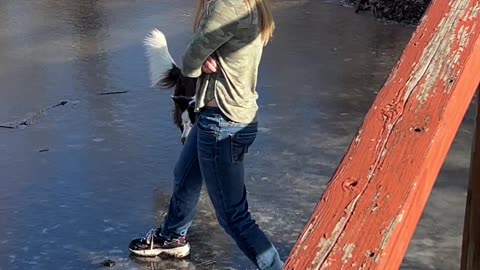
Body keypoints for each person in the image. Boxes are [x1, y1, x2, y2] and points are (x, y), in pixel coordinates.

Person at [129, 0, 283, 269]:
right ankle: (172, 237)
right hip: (219, 115)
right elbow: (201, 56)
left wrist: (199, 59)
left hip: (223, 122)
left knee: (234, 217)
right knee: (186, 175)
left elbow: (190, 62)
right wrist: (203, 58)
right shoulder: (247, 3)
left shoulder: (228, 4)